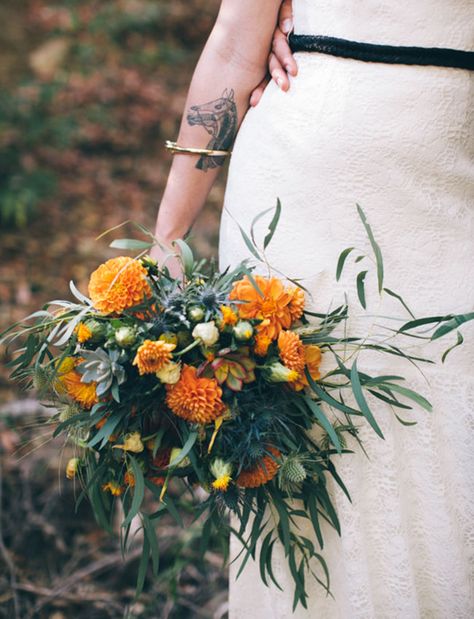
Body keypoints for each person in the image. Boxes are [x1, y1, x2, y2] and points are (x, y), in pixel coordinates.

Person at [152, 1, 474, 617]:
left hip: (452, 184)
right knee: (315, 445)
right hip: (306, 179)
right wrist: (169, 234)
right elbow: (233, 44)